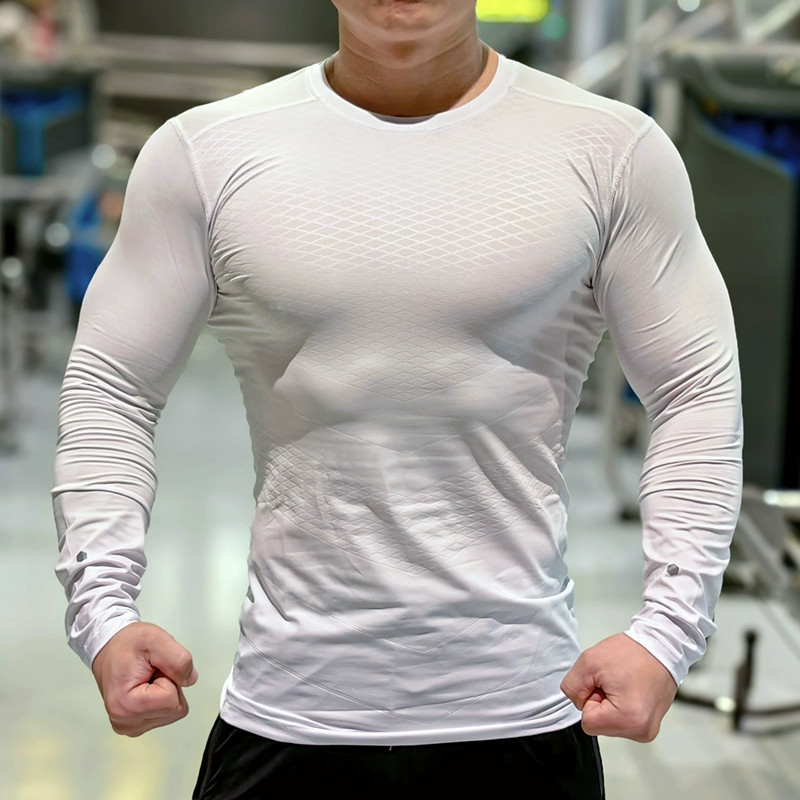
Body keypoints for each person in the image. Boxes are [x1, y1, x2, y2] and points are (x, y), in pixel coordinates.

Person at [51, 1, 743, 796]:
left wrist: (667, 633)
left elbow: (694, 388)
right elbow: (112, 386)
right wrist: (103, 612)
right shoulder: (206, 153)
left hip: (519, 717)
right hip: (289, 717)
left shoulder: (611, 150)